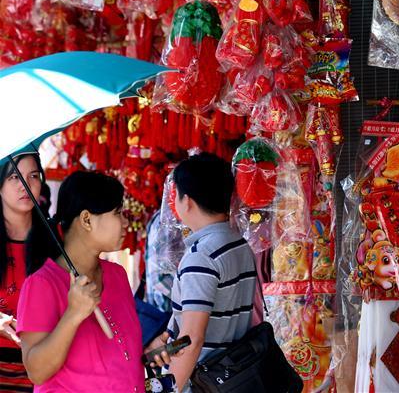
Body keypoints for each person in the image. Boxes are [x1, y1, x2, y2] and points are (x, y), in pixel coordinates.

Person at [16, 171, 143, 392]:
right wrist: (73, 315)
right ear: (86, 220)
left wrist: (151, 348)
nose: (125, 222)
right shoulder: (42, 284)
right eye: (117, 213)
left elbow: (120, 352)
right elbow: (36, 372)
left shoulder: (117, 275)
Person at [146, 153, 257, 392]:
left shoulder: (201, 256)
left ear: (186, 201)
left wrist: (169, 388)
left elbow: (192, 339)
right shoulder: (238, 243)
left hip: (204, 382)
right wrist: (168, 334)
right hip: (235, 375)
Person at [0, 153, 55, 393]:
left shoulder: (57, 238)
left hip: (45, 367)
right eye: (15, 177)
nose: (26, 185)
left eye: (33, 176)